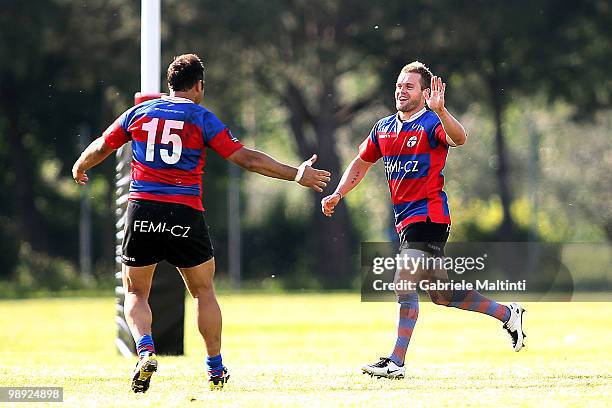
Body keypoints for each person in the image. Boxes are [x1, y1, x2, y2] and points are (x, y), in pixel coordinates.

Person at [72, 53, 331, 392]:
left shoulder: (140, 112)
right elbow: (247, 159)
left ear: (170, 84)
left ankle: (146, 350)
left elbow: (102, 146)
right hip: (184, 212)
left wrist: (80, 165)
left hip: (143, 209)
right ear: (198, 86)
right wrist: (297, 174)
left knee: (136, 292)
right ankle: (215, 368)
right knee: (203, 291)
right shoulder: (200, 117)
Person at [321, 61, 525, 379]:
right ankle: (507, 313)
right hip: (404, 220)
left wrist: (442, 111)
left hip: (429, 216)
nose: (401, 90)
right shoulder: (384, 127)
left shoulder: (431, 122)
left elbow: (460, 139)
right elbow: (361, 163)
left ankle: (396, 362)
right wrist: (338, 193)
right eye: (399, 85)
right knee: (441, 295)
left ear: (425, 92)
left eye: (409, 86)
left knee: (403, 281)